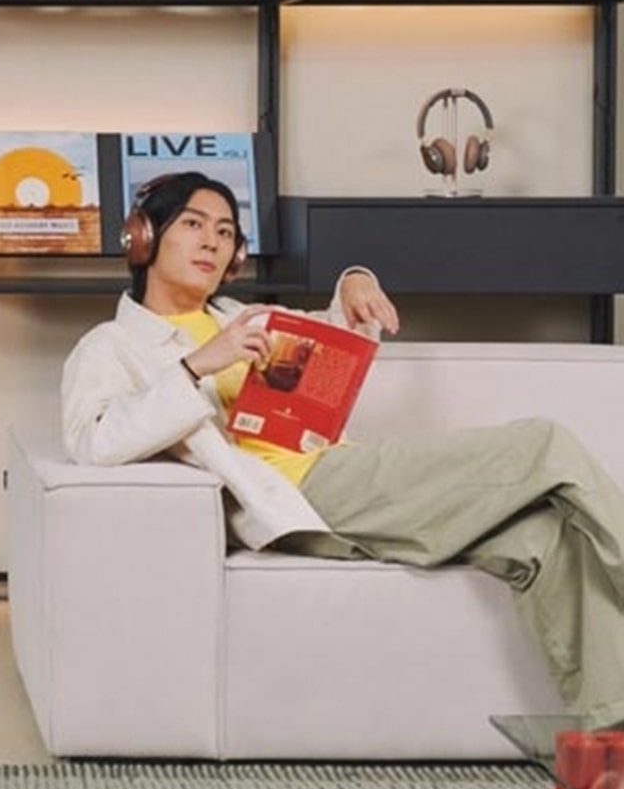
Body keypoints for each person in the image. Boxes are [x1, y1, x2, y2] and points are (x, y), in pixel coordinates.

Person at [62, 170, 624, 729]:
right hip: (296, 491)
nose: (212, 241)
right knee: (542, 443)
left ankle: (613, 750)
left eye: (227, 232)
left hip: (335, 471)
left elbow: (327, 337)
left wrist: (354, 282)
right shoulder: (110, 347)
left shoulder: (238, 317)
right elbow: (95, 441)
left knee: (547, 539)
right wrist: (197, 365)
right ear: (143, 237)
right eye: (192, 224)